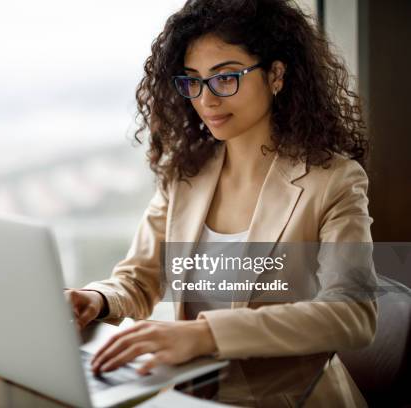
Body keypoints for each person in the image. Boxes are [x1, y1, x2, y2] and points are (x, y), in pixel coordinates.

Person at [65, 0, 377, 406]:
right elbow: (140, 281)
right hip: (193, 398)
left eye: (225, 77)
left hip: (292, 399)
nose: (206, 99)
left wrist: (204, 334)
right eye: (192, 80)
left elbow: (353, 315)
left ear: (276, 75)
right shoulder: (185, 175)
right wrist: (98, 299)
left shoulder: (332, 180)